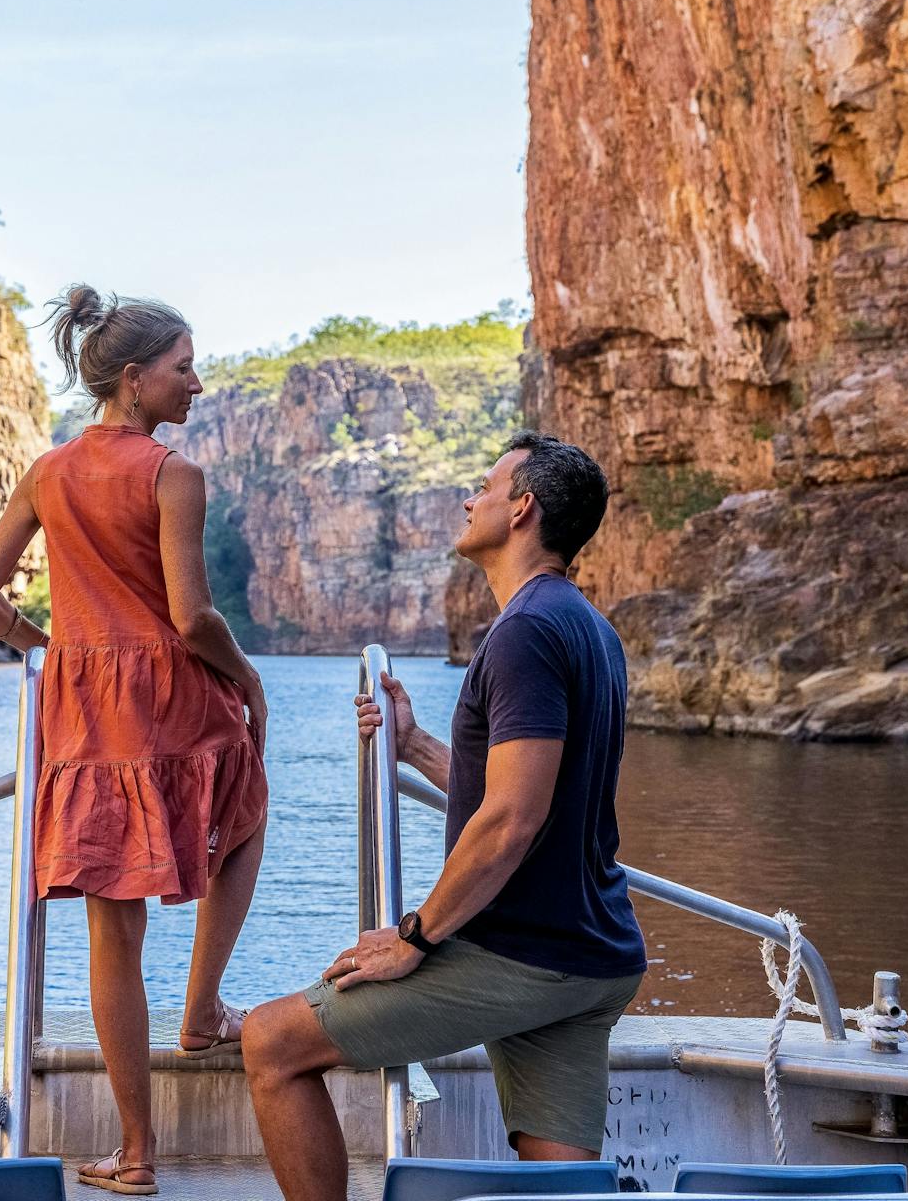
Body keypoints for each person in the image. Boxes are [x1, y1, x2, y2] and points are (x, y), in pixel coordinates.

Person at [241, 432, 644, 1201]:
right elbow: (522, 788)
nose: (470, 499)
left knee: (271, 1043)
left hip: (521, 954)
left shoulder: (524, 632)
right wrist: (416, 742)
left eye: (485, 487)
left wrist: (414, 936)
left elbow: (513, 819)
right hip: (593, 956)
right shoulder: (588, 627)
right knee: (565, 1184)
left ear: (521, 509)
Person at [0, 285, 270, 1197]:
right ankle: (203, 1006)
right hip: (173, 698)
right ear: (135, 380)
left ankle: (135, 1156)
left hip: (84, 711)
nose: (199, 383)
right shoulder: (173, 474)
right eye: (184, 369)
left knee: (112, 930)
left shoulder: (47, 473)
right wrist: (247, 678)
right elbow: (193, 615)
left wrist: (54, 656)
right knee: (244, 810)